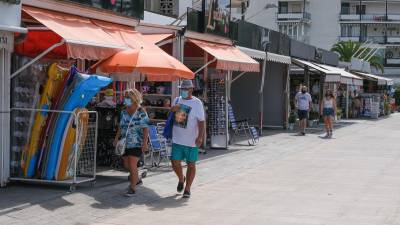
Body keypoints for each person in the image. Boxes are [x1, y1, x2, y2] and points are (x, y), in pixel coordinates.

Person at [170, 80, 205, 199]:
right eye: (182, 89)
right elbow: (170, 116)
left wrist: (200, 136)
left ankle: (187, 188)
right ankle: (181, 178)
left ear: (191, 89)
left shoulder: (197, 103)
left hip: (191, 140)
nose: (183, 91)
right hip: (177, 138)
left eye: (185, 89)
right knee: (174, 163)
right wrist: (172, 109)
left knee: (191, 164)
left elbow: (201, 122)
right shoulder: (176, 100)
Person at [113, 89, 149, 197]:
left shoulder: (141, 112)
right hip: (125, 142)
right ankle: (136, 178)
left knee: (132, 164)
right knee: (126, 164)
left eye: (127, 97)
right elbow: (121, 126)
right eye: (125, 97)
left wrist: (145, 143)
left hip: (136, 142)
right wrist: (116, 138)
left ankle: (132, 187)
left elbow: (145, 128)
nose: (125, 100)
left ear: (133, 99)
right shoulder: (124, 111)